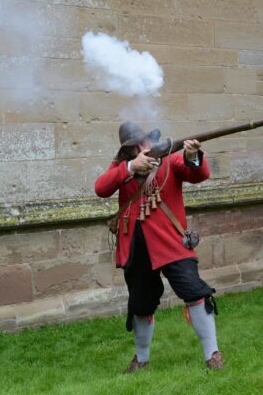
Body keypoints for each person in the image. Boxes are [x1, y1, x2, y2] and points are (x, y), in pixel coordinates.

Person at [95, 121, 223, 372]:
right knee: (140, 304)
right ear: (128, 150)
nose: (143, 147)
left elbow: (199, 175)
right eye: (136, 146)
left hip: (171, 242)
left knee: (195, 292)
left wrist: (192, 156)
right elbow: (101, 188)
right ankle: (141, 359)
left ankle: (213, 354)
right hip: (135, 247)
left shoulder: (169, 159)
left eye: (144, 141)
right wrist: (131, 167)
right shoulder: (123, 166)